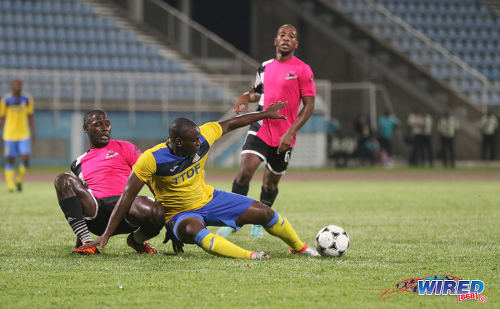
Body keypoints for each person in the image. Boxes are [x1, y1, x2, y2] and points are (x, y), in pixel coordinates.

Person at [85, 102, 320, 259]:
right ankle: (250, 256)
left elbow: (230, 123)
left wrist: (265, 114)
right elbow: (127, 198)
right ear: (178, 142)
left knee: (266, 213)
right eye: (193, 141)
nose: (200, 143)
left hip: (210, 198)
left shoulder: (203, 136)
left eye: (199, 138)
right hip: (178, 214)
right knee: (195, 231)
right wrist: (105, 236)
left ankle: (299, 247)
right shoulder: (151, 159)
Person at [217, 24, 316, 239]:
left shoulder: (302, 69)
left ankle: (259, 221)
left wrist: (291, 131)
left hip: (285, 135)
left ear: (296, 44)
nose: (286, 38)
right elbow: (258, 92)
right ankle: (233, 220)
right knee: (244, 172)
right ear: (275, 40)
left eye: (291, 36)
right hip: (262, 127)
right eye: (282, 35)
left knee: (270, 183)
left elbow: (309, 105)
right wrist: (245, 96)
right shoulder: (265, 67)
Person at [54, 110, 176, 255]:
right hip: (97, 212)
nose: (105, 128)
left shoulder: (126, 147)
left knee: (155, 211)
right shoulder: (77, 163)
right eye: (98, 124)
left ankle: (136, 241)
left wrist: (169, 219)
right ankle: (88, 244)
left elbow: (150, 179)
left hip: (127, 209)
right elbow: (76, 204)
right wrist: (80, 240)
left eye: (107, 124)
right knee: (62, 179)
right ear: (85, 129)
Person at [0, 79, 36, 192]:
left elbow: (30, 116)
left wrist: (33, 132)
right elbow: (2, 117)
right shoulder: (6, 99)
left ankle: (19, 179)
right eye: (14, 84)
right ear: (11, 86)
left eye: (18, 84)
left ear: (21, 86)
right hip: (9, 135)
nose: (16, 86)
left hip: (24, 135)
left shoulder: (27, 99)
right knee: (10, 159)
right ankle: (10, 185)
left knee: (25, 158)